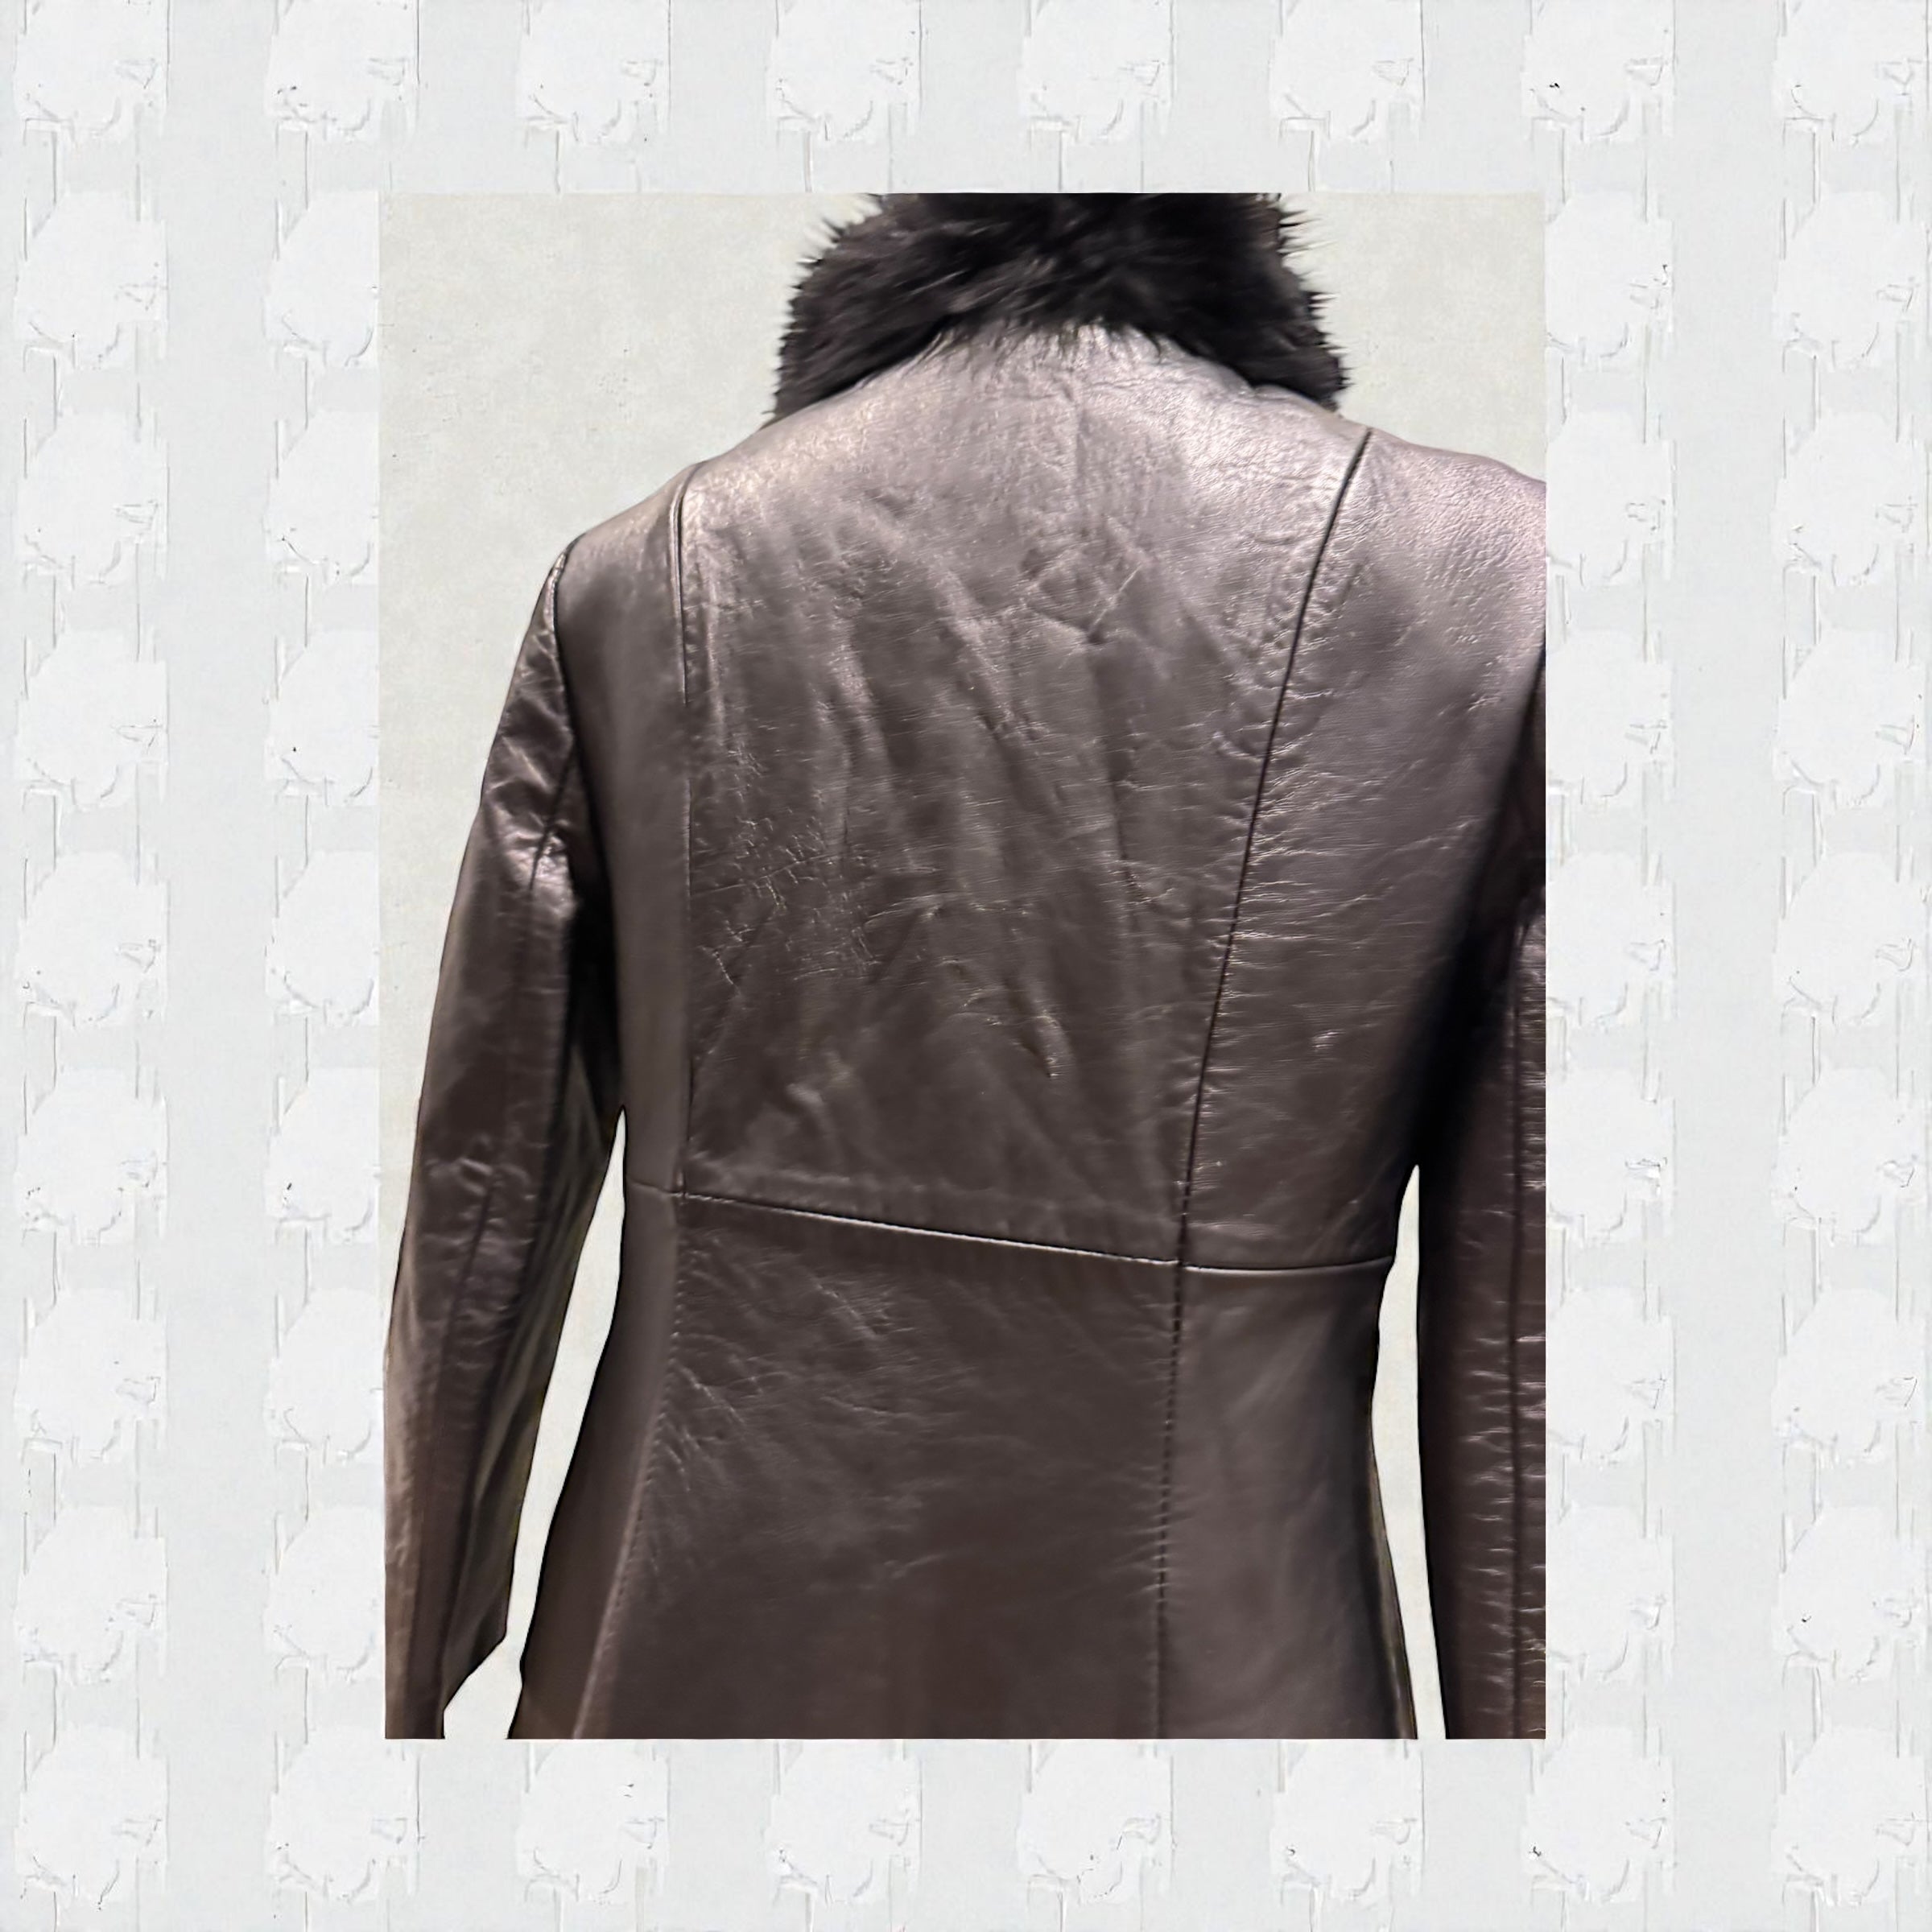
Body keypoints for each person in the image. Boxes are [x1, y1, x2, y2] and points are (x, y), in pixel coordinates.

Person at [383, 192, 1546, 1741]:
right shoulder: (1490, 580)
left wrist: (413, 1669)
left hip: (671, 1644)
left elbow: (480, 1212)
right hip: (1227, 1660)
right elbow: (1528, 1323)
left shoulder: (650, 567)